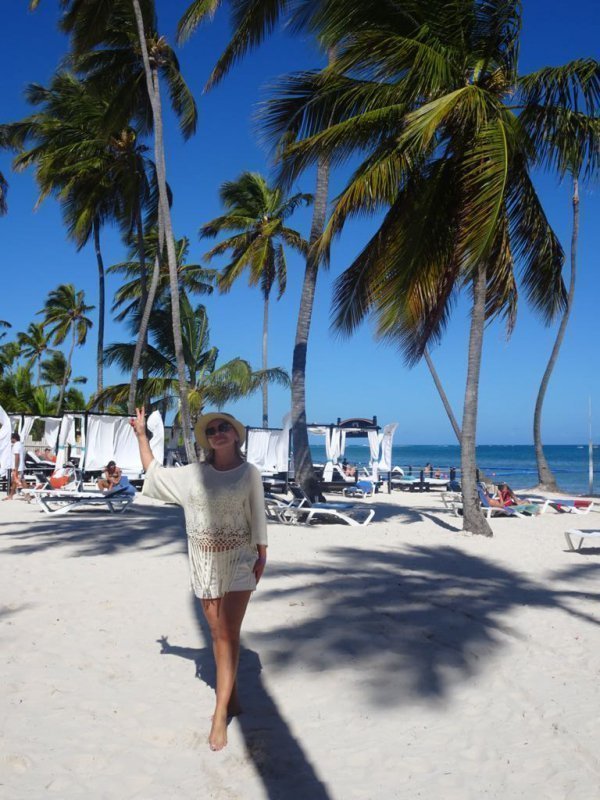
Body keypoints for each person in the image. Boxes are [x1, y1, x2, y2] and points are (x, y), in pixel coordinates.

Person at [130, 407, 267, 752]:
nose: (217, 433)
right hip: (204, 562)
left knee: (228, 632)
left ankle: (219, 715)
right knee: (217, 633)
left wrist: (262, 554)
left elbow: (258, 516)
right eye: (211, 430)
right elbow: (153, 473)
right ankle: (232, 697)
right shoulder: (193, 474)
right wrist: (141, 435)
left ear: (235, 435)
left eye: (224, 428)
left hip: (240, 560)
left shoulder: (249, 473)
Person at [4, 433, 26, 500]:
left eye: (11, 438)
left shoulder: (16, 445)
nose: (10, 440)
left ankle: (27, 495)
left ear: (14, 438)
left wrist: (16, 468)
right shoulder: (21, 445)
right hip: (20, 467)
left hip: (17, 467)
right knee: (17, 481)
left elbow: (17, 457)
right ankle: (11, 495)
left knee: (17, 481)